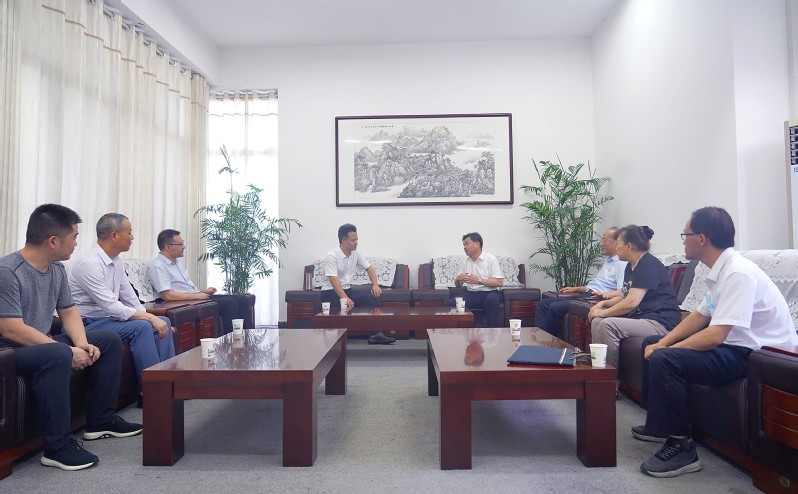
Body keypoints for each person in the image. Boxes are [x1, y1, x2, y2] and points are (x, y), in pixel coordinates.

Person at [633, 207, 798, 478]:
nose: (683, 241)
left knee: (665, 357)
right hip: (734, 346)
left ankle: (681, 448)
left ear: (701, 239)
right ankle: (659, 425)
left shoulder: (738, 273)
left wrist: (665, 349)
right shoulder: (719, 271)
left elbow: (715, 335)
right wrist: (663, 341)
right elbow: (699, 316)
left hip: (757, 356)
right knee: (652, 342)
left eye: (685, 235)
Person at [0, 204, 142, 472]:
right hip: (8, 351)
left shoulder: (56, 269)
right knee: (56, 353)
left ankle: (100, 421)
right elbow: (11, 329)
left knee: (107, 340)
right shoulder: (8, 271)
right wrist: (66, 350)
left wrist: (81, 344)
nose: (77, 243)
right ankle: (57, 447)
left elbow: (68, 311)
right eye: (74, 237)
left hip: (40, 344)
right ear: (53, 241)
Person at [69, 213, 175, 404]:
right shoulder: (89, 264)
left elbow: (129, 296)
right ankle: (151, 392)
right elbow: (110, 305)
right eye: (130, 232)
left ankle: (169, 382)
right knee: (142, 327)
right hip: (88, 323)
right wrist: (149, 319)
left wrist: (152, 318)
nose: (132, 237)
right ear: (114, 235)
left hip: (108, 320)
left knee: (164, 321)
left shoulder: (116, 260)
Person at [588, 225, 682, 369]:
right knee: (597, 321)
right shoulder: (630, 265)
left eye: (618, 243)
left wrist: (603, 313)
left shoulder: (647, 264)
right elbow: (624, 296)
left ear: (629, 246)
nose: (616, 247)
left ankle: (610, 377)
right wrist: (602, 304)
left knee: (608, 324)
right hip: (642, 319)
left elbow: (631, 302)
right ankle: (598, 369)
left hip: (660, 322)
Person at [534, 227, 626, 339]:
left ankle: (549, 342)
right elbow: (595, 285)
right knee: (542, 304)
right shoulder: (608, 261)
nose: (601, 244)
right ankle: (540, 340)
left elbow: (622, 291)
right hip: (586, 294)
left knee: (555, 307)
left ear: (616, 242)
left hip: (594, 298)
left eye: (604, 240)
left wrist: (605, 295)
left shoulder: (622, 264)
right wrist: (576, 288)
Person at [148, 229, 241, 335]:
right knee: (229, 303)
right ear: (168, 247)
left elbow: (185, 287)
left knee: (240, 299)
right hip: (186, 301)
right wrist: (197, 296)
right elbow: (167, 295)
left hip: (194, 297)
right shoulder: (158, 266)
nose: (184, 247)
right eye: (180, 244)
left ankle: (245, 337)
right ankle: (232, 340)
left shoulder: (176, 263)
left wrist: (204, 290)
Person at [320, 223, 395, 345]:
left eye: (357, 239)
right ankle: (336, 339)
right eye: (353, 240)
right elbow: (333, 280)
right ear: (344, 240)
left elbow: (369, 268)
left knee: (371, 297)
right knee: (344, 304)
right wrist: (344, 298)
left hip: (347, 290)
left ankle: (375, 335)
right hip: (330, 293)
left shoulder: (356, 254)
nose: (356, 242)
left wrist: (375, 285)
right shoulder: (331, 257)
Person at [446, 232, 505, 327]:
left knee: (492, 300)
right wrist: (458, 280)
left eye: (467, 244)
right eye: (464, 245)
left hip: (490, 292)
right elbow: (458, 285)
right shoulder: (465, 261)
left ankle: (492, 331)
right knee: (451, 303)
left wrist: (479, 280)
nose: (465, 247)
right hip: (471, 293)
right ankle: (473, 327)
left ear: (477, 244)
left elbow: (499, 282)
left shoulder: (491, 259)